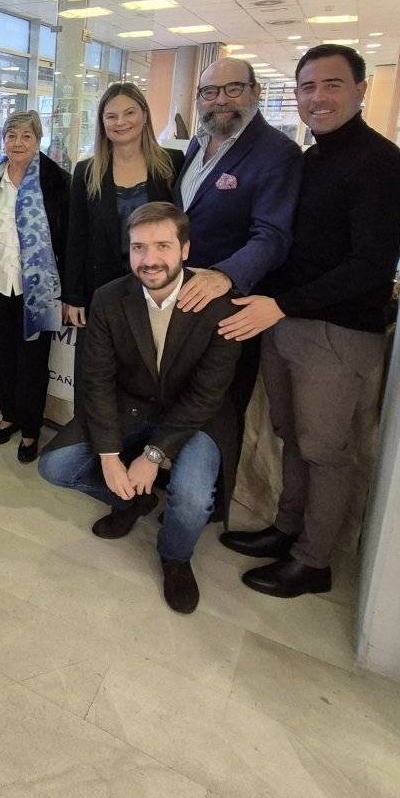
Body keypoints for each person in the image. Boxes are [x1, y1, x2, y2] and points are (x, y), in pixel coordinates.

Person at [217, 43, 400, 598]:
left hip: (335, 332)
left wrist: (282, 305)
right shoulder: (310, 160)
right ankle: (287, 529)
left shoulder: (380, 164)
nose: (318, 97)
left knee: (325, 450)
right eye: (307, 87)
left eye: (332, 85)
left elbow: (369, 266)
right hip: (284, 322)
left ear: (360, 90)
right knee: (291, 437)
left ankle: (314, 561)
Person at [38, 202, 241, 614]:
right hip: (132, 406)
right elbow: (97, 380)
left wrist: (153, 456)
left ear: (185, 249)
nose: (149, 259)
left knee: (192, 499)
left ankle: (175, 557)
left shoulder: (221, 305)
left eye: (162, 246)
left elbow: (207, 395)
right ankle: (132, 502)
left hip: (197, 417)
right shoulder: (109, 298)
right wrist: (110, 457)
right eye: (139, 247)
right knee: (55, 467)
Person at [174, 56, 303, 508]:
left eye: (233, 89)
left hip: (230, 309)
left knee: (220, 410)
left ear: (255, 92)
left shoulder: (276, 152)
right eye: (210, 92)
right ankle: (175, 486)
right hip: (183, 299)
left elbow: (272, 236)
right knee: (180, 398)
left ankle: (208, 504)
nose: (220, 100)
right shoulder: (198, 144)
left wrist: (225, 275)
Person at [0, 109, 70, 464]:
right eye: (11, 135)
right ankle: (9, 415)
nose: (18, 142)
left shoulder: (57, 180)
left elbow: (69, 238)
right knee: (3, 354)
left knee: (33, 362)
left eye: (26, 136)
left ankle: (30, 429)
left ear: (38, 140)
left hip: (39, 290)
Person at [63, 83, 180, 328]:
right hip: (101, 290)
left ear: (144, 115)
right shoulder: (87, 172)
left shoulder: (172, 163)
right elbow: (76, 239)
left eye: (129, 113)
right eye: (111, 116)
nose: (121, 122)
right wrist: (73, 297)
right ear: (102, 122)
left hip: (159, 289)